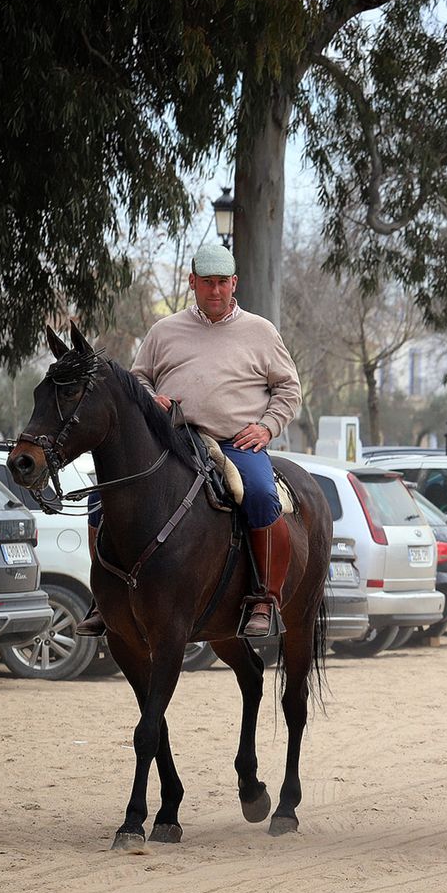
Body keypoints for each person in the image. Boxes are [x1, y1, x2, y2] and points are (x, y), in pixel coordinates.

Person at [77, 243, 302, 638]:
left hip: (235, 443)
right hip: (172, 439)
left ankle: (264, 597)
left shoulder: (261, 331)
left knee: (261, 493)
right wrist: (150, 398)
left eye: (222, 282)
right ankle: (104, 597)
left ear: (234, 283)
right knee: (101, 499)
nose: (215, 290)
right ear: (192, 282)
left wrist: (267, 427)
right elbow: (138, 380)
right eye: (207, 282)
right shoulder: (164, 330)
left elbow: (288, 388)